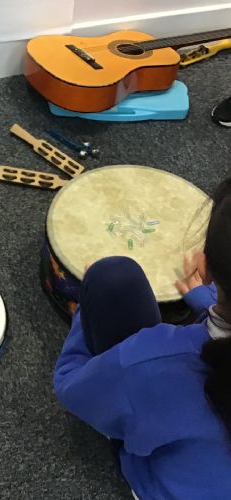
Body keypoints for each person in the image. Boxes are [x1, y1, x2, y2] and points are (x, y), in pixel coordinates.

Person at [54, 178, 231, 499]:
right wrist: (207, 304)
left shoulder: (152, 362)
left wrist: (85, 308)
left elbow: (70, 386)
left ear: (204, 268)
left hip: (164, 488)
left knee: (112, 279)